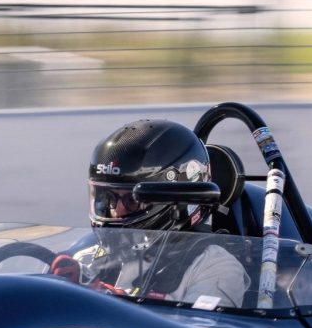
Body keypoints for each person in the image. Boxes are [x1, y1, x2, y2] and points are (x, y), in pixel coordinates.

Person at [57, 119, 252, 307]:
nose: (115, 211)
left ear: (178, 201)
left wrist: (103, 296)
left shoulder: (215, 267)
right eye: (108, 199)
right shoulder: (85, 259)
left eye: (132, 200)